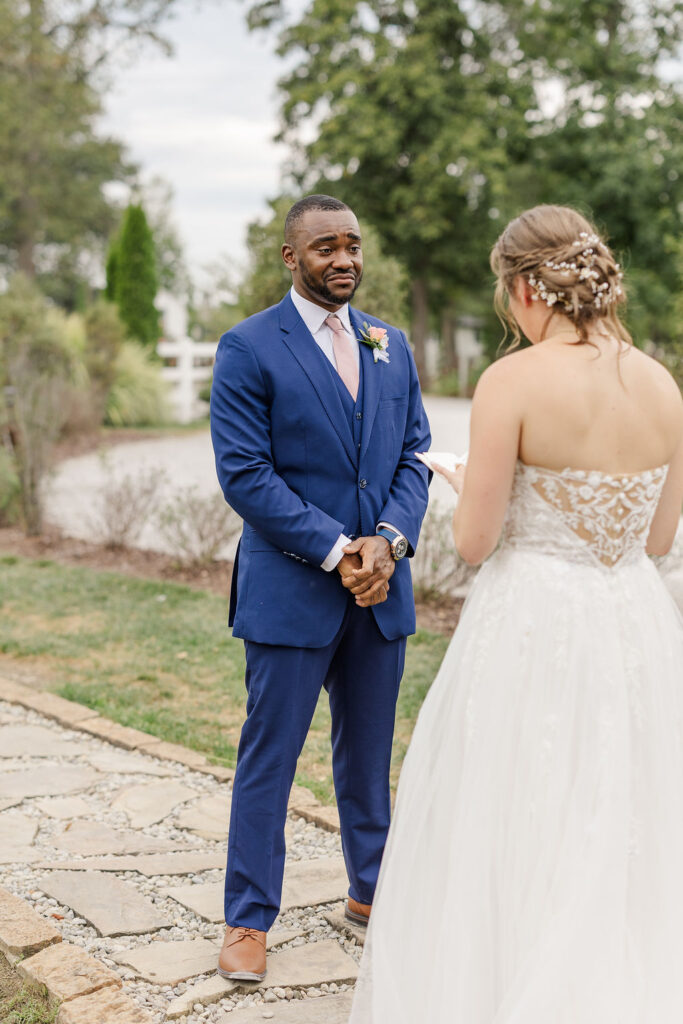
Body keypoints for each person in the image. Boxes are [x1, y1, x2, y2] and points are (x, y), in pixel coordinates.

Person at [349, 204, 683, 1023]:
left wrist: (469, 485)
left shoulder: (512, 381)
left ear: (529, 287)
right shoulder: (661, 383)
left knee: (516, 803)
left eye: (506, 292)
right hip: (632, 622)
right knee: (620, 805)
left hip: (533, 620)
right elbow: (658, 537)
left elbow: (472, 543)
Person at [210, 194, 431, 981]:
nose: (343, 259)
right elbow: (243, 474)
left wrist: (389, 543)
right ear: (289, 256)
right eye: (325, 247)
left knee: (368, 758)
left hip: (379, 591)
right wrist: (338, 549)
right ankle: (247, 919)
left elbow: (413, 456)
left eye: (352, 245)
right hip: (290, 591)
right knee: (268, 758)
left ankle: (372, 893)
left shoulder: (390, 344)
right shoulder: (247, 347)